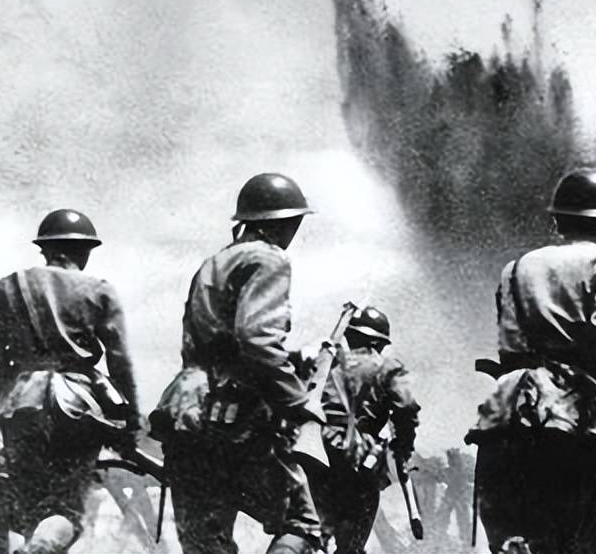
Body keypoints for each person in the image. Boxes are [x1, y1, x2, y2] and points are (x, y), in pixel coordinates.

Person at [466, 168, 596, 554]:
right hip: (572, 428)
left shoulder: (515, 269)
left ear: (558, 221)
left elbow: (509, 350)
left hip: (503, 422)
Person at [151, 172, 324, 554]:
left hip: (185, 412)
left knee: (206, 545)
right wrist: (298, 400)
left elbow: (210, 341)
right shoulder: (270, 259)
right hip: (236, 413)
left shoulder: (212, 264)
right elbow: (256, 338)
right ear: (283, 223)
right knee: (302, 526)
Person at [0, 209, 141, 554]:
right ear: (85, 251)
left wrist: (12, 389)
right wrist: (130, 423)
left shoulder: (10, 285)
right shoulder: (98, 289)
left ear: (44, 249)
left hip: (19, 405)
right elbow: (120, 362)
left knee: (30, 508)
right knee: (67, 511)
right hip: (77, 405)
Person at [301, 305, 420, 554]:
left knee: (305, 533)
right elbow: (407, 410)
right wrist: (403, 446)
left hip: (317, 453)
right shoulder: (388, 368)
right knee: (351, 543)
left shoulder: (327, 363)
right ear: (378, 342)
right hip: (357, 463)